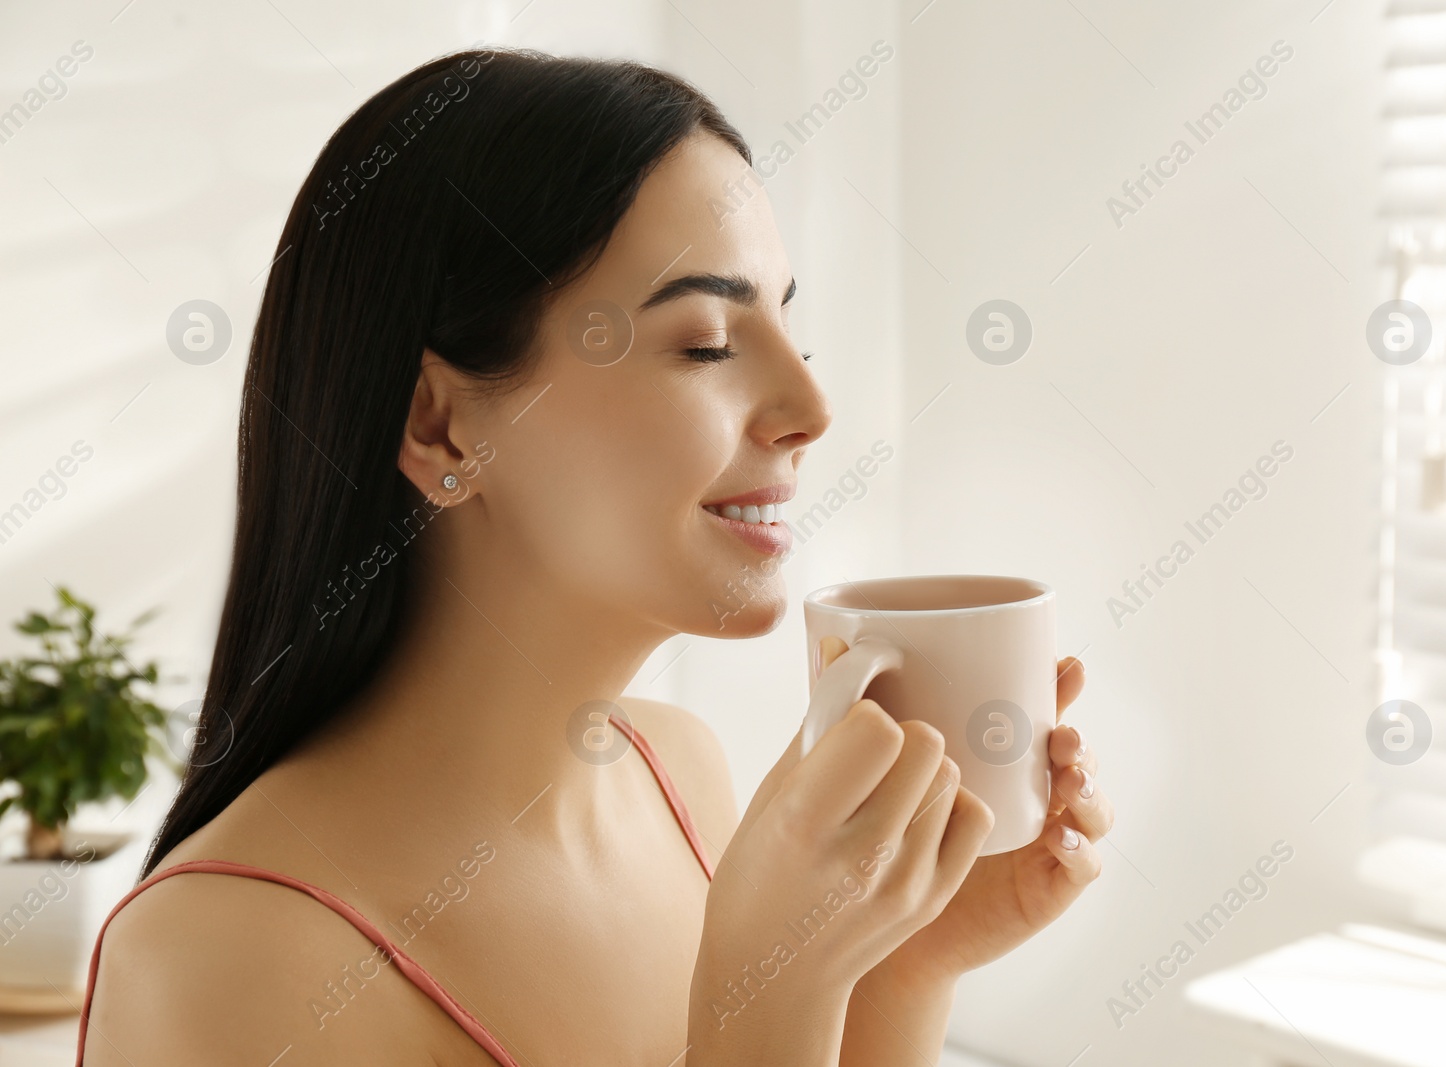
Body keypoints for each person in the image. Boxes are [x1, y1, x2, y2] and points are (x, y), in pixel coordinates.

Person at [78, 46, 1112, 1066]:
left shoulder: (684, 779)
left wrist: (898, 969)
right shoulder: (224, 962)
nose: (809, 409)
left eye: (790, 331)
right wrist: (773, 985)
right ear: (441, 428)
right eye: (705, 340)